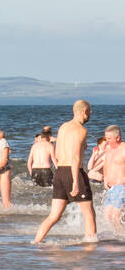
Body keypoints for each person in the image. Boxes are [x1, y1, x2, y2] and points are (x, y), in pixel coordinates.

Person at [33, 100, 97, 244]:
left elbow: (57, 152)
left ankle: (35, 242)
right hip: (74, 172)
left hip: (60, 172)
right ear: (84, 112)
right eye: (90, 111)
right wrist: (75, 182)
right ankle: (91, 247)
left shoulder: (63, 127)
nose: (90, 114)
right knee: (89, 214)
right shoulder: (80, 130)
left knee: (54, 216)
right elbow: (74, 157)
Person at [101, 125, 125, 235]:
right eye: (106, 138)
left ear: (118, 138)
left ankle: (121, 239)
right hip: (111, 188)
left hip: (121, 188)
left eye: (109, 139)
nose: (106, 141)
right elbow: (106, 164)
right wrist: (105, 178)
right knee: (106, 217)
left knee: (115, 217)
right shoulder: (108, 148)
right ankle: (115, 238)